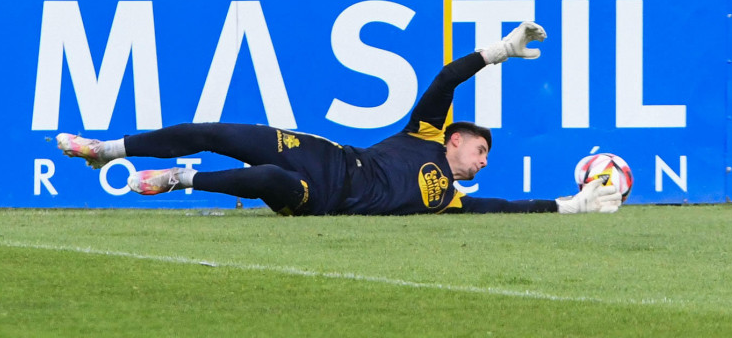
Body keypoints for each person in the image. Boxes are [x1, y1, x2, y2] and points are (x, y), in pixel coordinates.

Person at [57, 21, 622, 216]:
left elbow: (507, 207)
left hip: (323, 197)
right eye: (481, 149)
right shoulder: (423, 132)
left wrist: (569, 205)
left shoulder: (451, 198)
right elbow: (448, 78)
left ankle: (181, 179)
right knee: (217, 131)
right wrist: (496, 53)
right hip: (325, 155)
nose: (483, 160)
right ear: (456, 137)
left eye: (486, 159)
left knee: (270, 183)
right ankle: (106, 150)